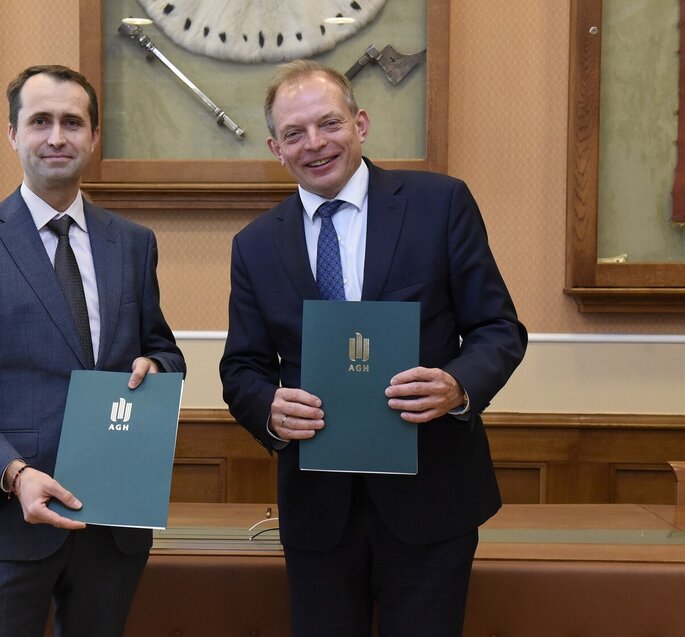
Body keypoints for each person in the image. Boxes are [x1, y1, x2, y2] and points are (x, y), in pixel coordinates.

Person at [219, 60, 527, 637]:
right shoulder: (255, 245)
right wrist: (268, 408)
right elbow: (242, 367)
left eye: (328, 123)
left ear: (360, 123)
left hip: (431, 499)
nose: (315, 143)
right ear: (275, 148)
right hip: (317, 513)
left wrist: (459, 386)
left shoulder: (440, 204)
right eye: (294, 134)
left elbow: (498, 328)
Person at [0, 64, 185, 637]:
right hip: (7, 526)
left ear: (94, 137)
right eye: (39, 121)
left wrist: (156, 365)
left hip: (112, 526)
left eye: (73, 122)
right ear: (13, 134)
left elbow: (164, 350)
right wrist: (15, 475)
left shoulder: (133, 244)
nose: (57, 137)